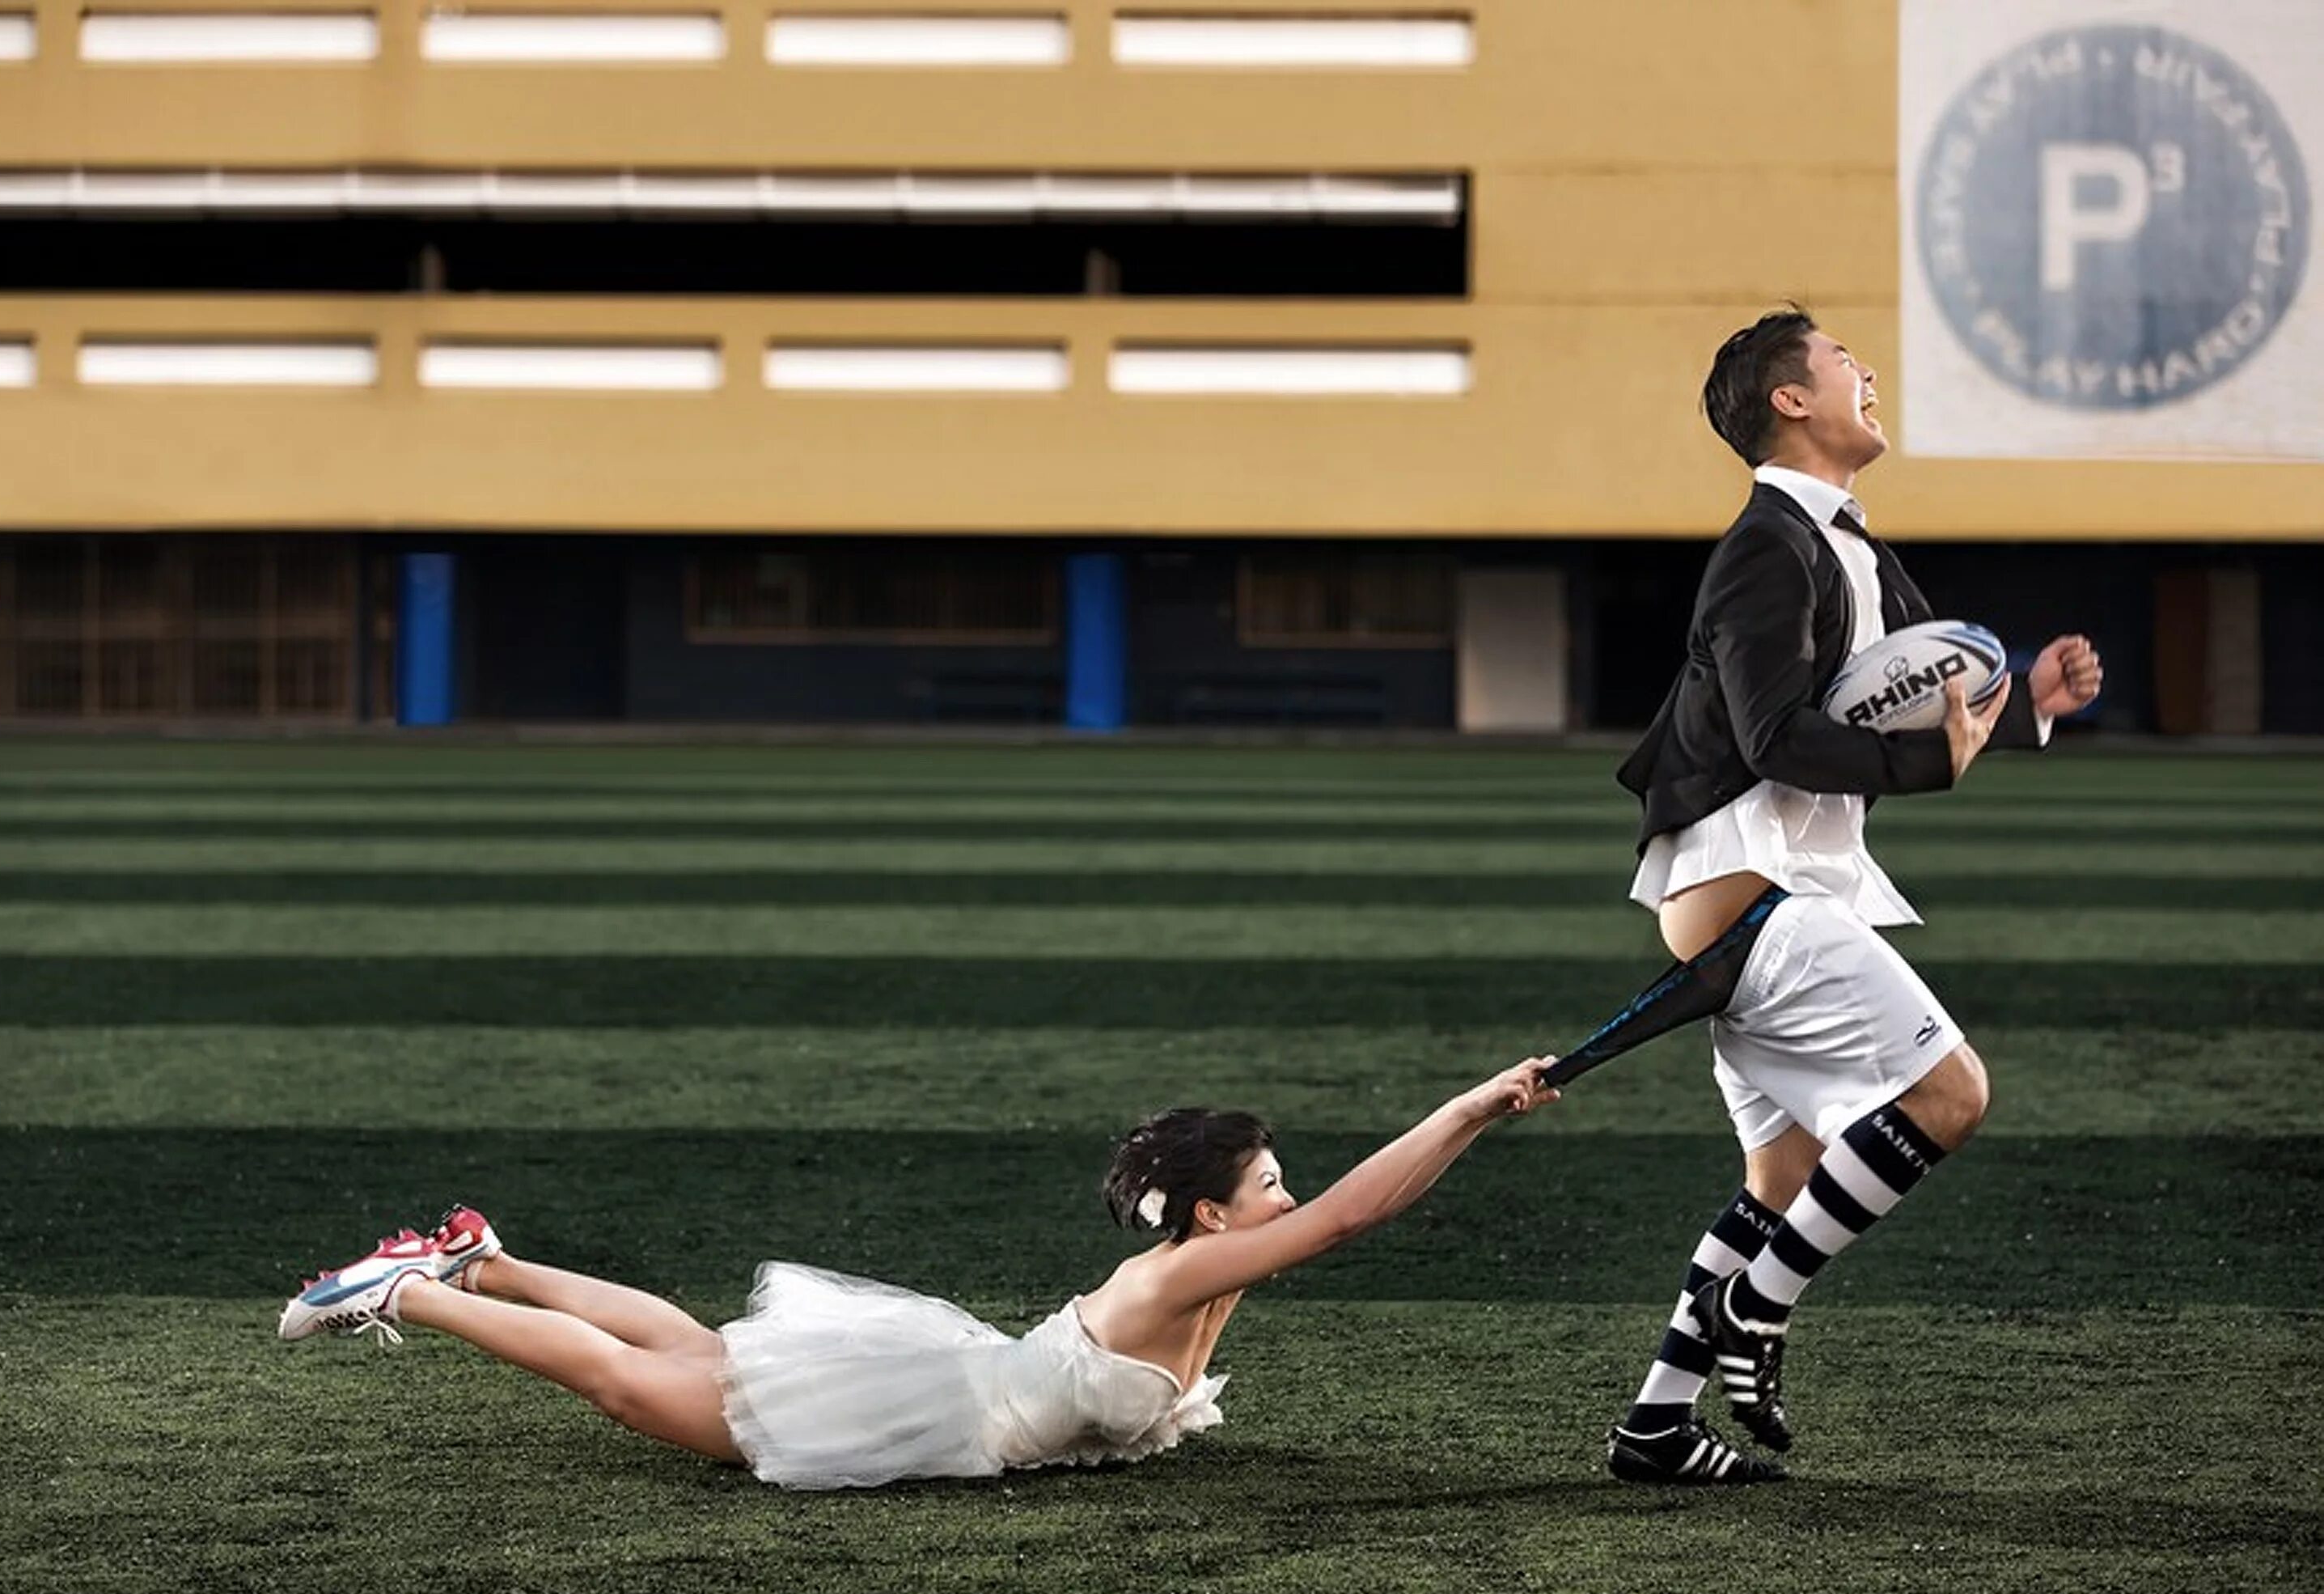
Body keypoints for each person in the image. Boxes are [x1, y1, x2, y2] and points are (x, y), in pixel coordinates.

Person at [1602, 307, 2105, 1485]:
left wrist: (2023, 706)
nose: (1866, 372)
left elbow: (1926, 685)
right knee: (1949, 1092)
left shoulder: (1850, 546)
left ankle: (1655, 1426)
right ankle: (1758, 1307)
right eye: (1842, 362)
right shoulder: (1763, 551)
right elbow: (1777, 737)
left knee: (1778, 1179)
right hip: (1754, 894)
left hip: (1777, 894)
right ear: (1791, 400)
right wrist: (1933, 764)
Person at [277, 1058, 1560, 1490]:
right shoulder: (1174, 1280)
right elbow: (1343, 1221)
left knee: (700, 1354)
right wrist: (1468, 1111)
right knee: (641, 1391)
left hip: (949, 1379)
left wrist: (1468, 1119)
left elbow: (1330, 1215)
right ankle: (407, 1292)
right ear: (1213, 1215)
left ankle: (484, 1260)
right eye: (1267, 1182)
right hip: (928, 1407)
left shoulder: (1208, 1268)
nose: (1287, 1193)